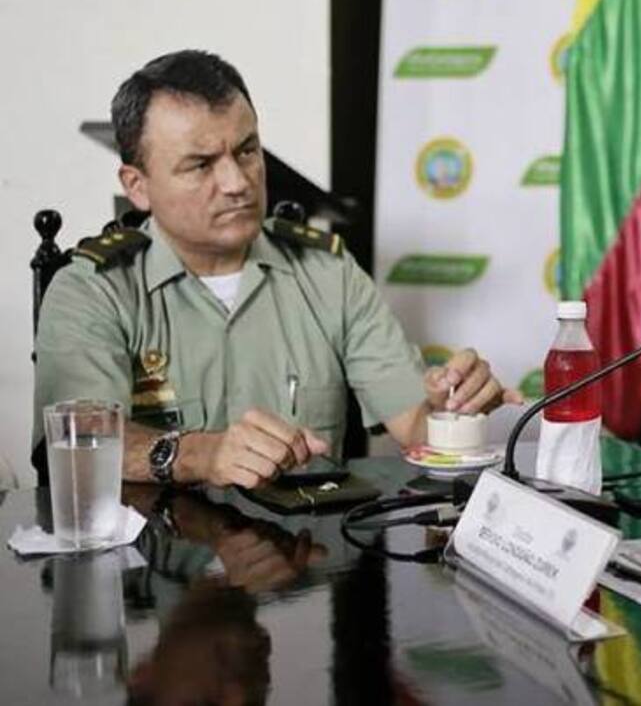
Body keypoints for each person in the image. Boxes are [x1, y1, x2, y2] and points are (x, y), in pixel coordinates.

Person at [34, 49, 522, 488]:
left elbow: (413, 424)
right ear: (137, 185)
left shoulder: (327, 272)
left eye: (247, 151)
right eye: (201, 165)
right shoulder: (94, 289)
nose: (237, 182)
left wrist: (450, 410)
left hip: (308, 566)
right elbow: (79, 445)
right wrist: (201, 454)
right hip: (155, 570)